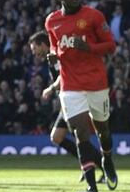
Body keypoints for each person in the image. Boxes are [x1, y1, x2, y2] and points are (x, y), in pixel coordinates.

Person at [44, 0, 118, 192]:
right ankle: (92, 188)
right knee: (79, 133)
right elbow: (55, 45)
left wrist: (88, 47)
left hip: (96, 83)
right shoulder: (52, 21)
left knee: (103, 130)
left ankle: (106, 158)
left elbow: (110, 46)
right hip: (70, 85)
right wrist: (54, 55)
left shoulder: (94, 16)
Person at [30, 31, 104, 183]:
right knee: (59, 137)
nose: (34, 53)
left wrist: (50, 89)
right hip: (70, 100)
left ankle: (97, 167)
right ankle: (91, 165)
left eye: (34, 49)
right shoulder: (51, 57)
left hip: (76, 99)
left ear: (42, 45)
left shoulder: (55, 54)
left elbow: (64, 76)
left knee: (69, 137)